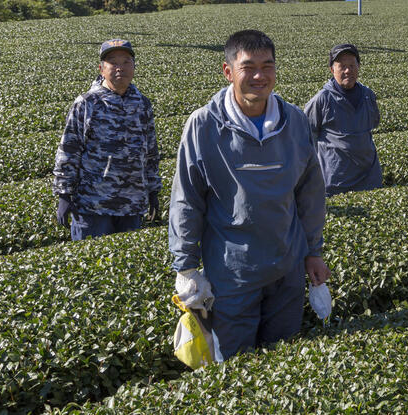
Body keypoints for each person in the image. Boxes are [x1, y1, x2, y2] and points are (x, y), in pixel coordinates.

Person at [168, 30, 330, 362]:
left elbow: (310, 193)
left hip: (287, 268)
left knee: (283, 361)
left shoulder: (295, 121)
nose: (259, 76)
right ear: (228, 71)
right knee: (235, 367)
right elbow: (187, 199)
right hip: (232, 274)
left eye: (267, 66)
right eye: (249, 67)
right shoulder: (203, 126)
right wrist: (185, 266)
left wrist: (313, 251)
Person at [52, 38, 161, 241]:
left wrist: (153, 190)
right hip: (93, 206)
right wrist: (64, 193)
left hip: (132, 204)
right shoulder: (87, 103)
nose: (120, 68)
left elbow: (151, 152)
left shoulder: (143, 104)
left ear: (134, 67)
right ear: (102, 69)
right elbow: (69, 149)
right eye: (113, 62)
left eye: (126, 61)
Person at [304, 43, 382, 196]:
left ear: (358, 66)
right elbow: (305, 137)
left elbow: (373, 122)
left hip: (369, 177)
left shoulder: (368, 95)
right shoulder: (321, 100)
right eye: (342, 66)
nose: (348, 71)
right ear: (332, 69)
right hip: (336, 180)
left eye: (352, 65)